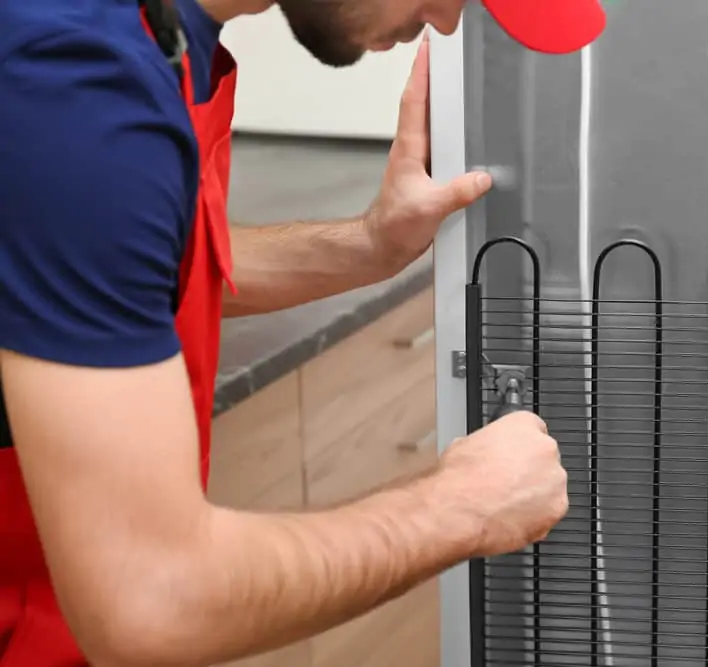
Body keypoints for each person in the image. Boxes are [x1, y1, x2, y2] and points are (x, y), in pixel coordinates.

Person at [0, 0, 606, 665]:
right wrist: (462, 506)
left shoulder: (154, 39)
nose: (446, 19)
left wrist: (369, 245)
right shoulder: (74, 83)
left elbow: (115, 266)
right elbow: (152, 598)